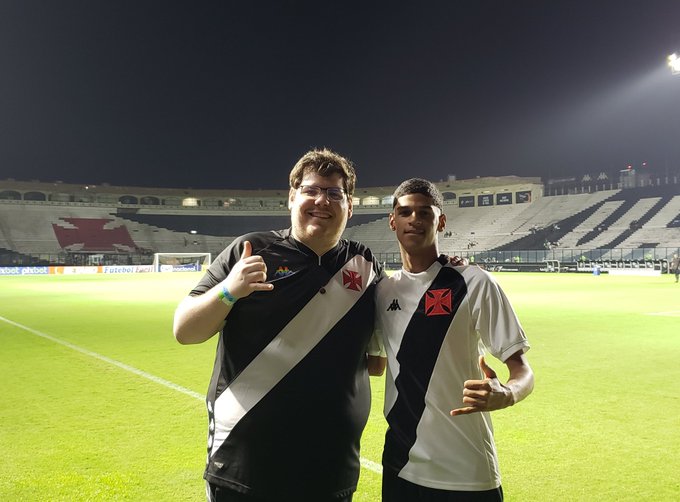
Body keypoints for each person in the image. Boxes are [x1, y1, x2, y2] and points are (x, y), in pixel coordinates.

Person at [173, 148, 385, 502]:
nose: (322, 200)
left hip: (330, 469)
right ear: (292, 197)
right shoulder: (251, 250)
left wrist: (449, 269)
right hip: (245, 467)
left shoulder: (363, 264)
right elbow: (185, 330)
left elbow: (389, 335)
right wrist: (229, 290)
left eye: (335, 193)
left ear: (350, 205)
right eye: (311, 190)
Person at [370, 178, 535, 502]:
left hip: (466, 472)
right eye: (404, 212)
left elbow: (523, 371)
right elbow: (374, 365)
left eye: (424, 213)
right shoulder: (383, 292)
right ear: (392, 221)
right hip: (401, 465)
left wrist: (508, 393)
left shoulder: (474, 283)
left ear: (440, 221)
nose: (413, 219)